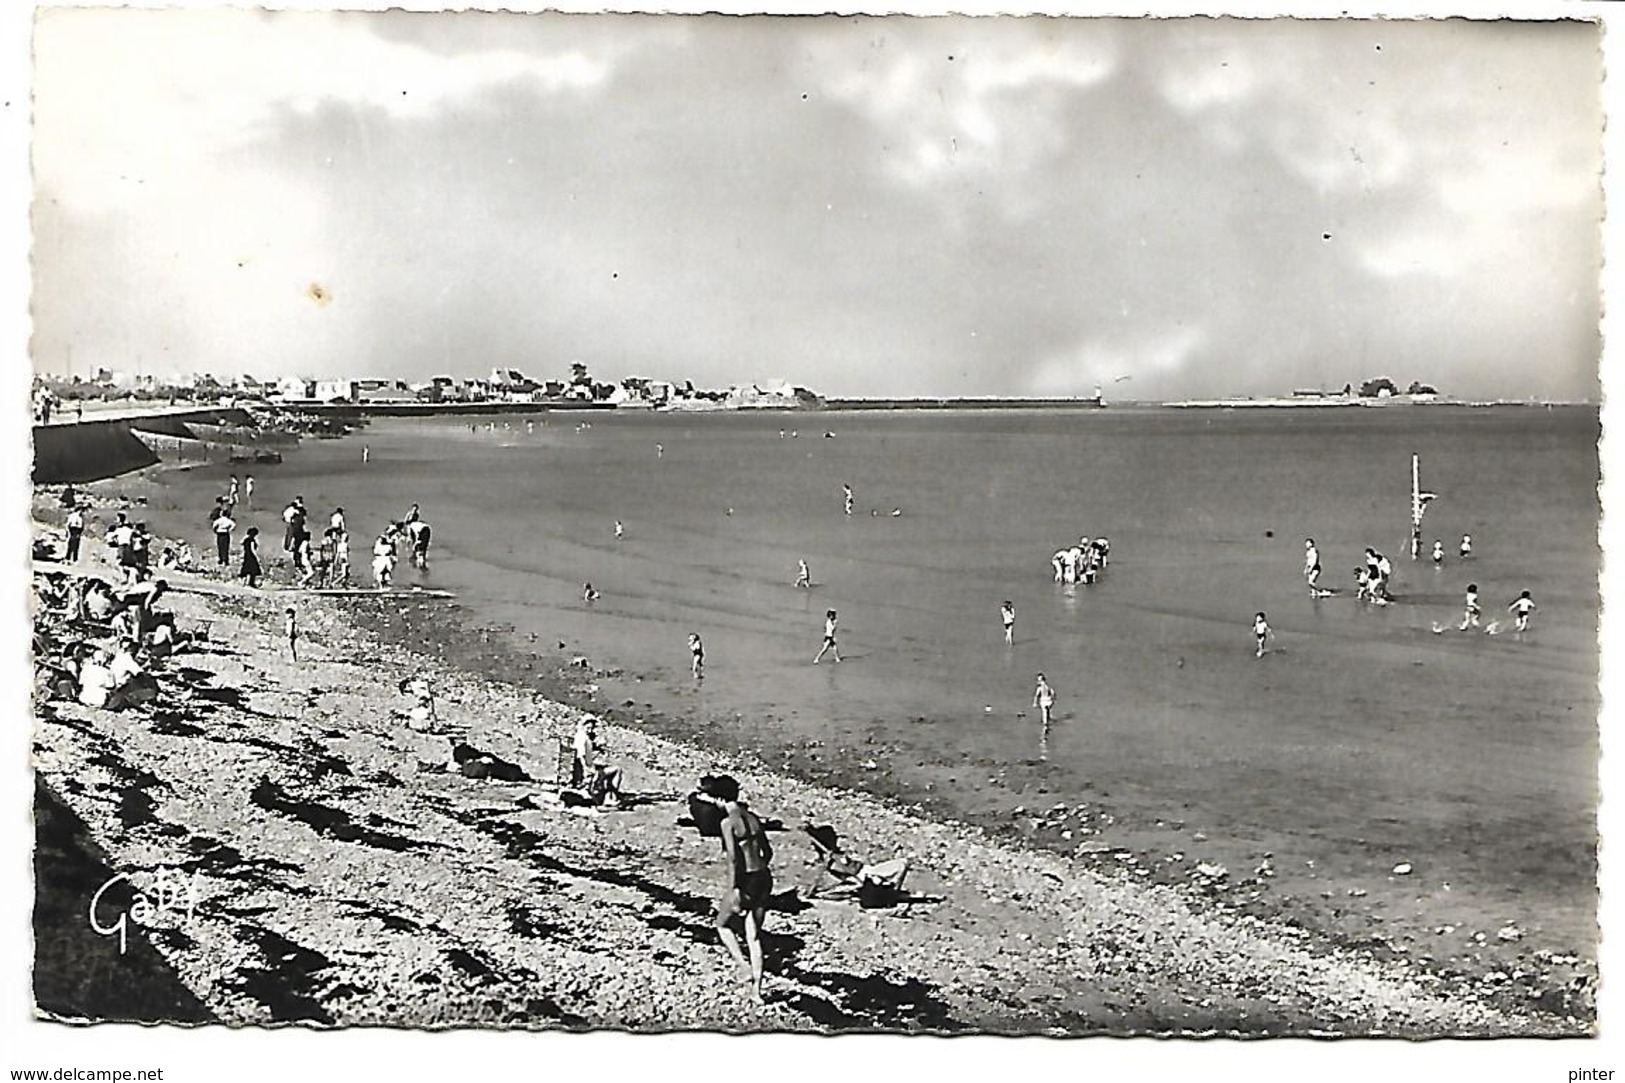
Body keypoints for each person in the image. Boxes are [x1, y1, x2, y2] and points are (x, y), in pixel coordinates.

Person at [705, 774, 773, 1005]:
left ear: (720, 798)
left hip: (747, 880)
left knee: (722, 925)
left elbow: (733, 859)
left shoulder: (728, 823)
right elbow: (768, 852)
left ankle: (743, 967)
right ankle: (757, 992)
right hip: (764, 876)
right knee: (753, 936)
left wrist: (734, 888)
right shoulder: (753, 818)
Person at [572, 716, 625, 805]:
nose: (590, 730)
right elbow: (581, 756)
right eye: (588, 728)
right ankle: (611, 797)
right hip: (587, 770)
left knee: (605, 768)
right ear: (583, 726)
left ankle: (609, 795)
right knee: (617, 770)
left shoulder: (581, 736)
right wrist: (589, 770)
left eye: (592, 728)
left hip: (587, 767)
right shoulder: (583, 739)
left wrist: (597, 748)